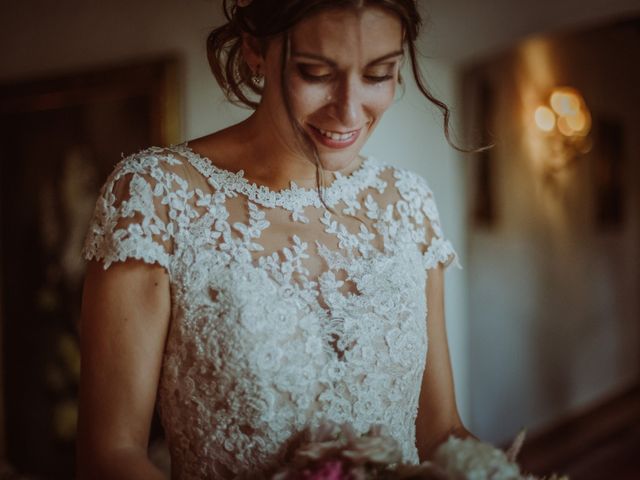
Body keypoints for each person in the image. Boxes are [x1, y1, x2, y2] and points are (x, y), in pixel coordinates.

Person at [77, 0, 473, 478]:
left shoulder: (409, 204)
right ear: (254, 50)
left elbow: (441, 433)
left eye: (378, 74)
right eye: (316, 72)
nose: (349, 110)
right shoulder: (155, 196)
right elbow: (110, 456)